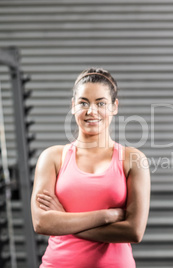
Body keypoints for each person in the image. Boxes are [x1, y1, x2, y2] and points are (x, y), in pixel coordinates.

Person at [31, 67, 150, 267]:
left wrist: (64, 221)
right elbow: (42, 223)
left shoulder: (133, 159)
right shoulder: (52, 157)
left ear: (115, 107)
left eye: (101, 103)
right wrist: (105, 216)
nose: (91, 111)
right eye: (83, 102)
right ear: (73, 106)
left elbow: (134, 231)